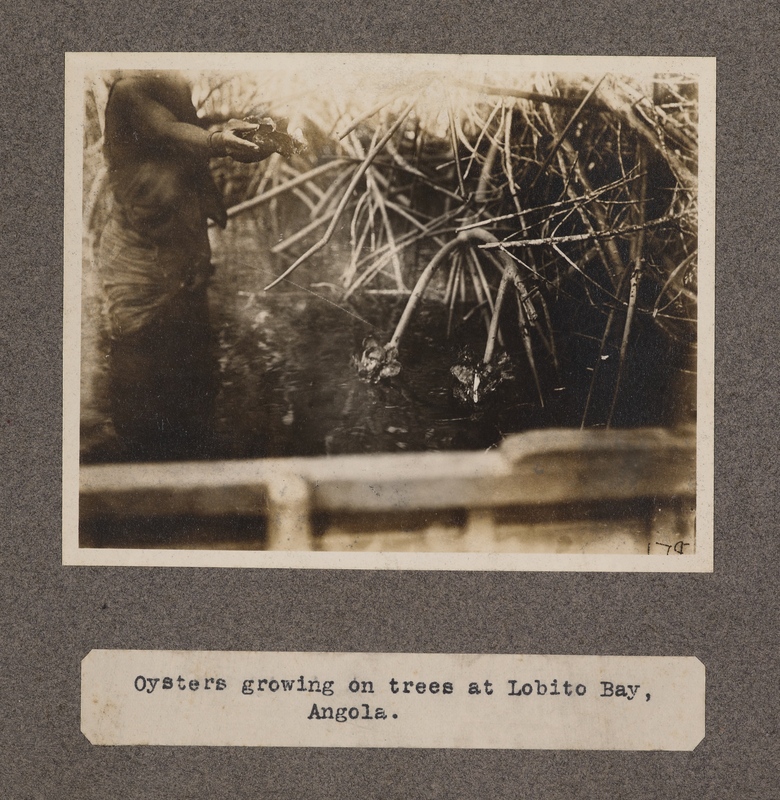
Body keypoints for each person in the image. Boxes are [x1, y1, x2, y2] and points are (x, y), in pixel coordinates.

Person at [99, 70, 276, 460]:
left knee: (193, 357)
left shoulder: (176, 83)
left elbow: (188, 138)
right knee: (138, 353)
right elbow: (167, 130)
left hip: (184, 239)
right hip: (139, 250)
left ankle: (193, 457)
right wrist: (218, 141)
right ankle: (137, 464)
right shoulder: (129, 91)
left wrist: (211, 187)